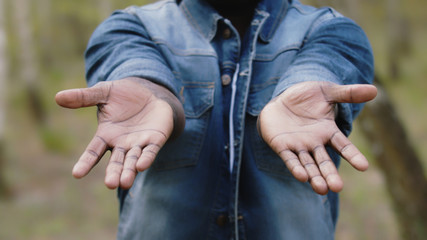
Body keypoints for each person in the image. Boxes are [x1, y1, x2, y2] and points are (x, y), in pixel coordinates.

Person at [55, 0, 377, 239]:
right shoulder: (129, 27)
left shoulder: (331, 30)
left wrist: (301, 87)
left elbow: (327, 60)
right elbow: (132, 62)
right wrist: (153, 94)